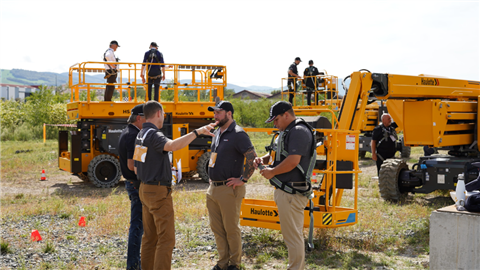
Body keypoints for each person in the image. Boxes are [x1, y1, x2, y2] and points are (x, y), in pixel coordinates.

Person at [134, 100, 217, 270]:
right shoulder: (153, 134)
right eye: (163, 114)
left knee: (149, 237)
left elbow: (137, 165)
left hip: (145, 188)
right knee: (166, 238)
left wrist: (159, 167)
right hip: (157, 191)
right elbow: (172, 146)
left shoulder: (140, 134)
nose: (163, 117)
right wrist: (197, 132)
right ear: (158, 113)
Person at [255, 101, 315, 270]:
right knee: (292, 235)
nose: (275, 123)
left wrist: (272, 171)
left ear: (286, 115)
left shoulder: (298, 131)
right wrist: (263, 159)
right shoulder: (289, 130)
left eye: (276, 120)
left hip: (291, 192)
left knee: (292, 237)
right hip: (287, 191)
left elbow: (293, 161)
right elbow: (280, 153)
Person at [206, 101, 257, 270]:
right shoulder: (217, 132)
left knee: (231, 229)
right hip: (213, 188)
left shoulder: (238, 134)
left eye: (218, 113)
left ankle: (234, 264)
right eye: (214, 113)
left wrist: (243, 179)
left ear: (229, 114)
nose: (215, 116)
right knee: (217, 229)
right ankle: (222, 262)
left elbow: (252, 158)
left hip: (229, 189)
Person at [118, 104, 146, 270]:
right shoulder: (133, 135)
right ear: (138, 118)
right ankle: (133, 265)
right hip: (136, 184)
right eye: (146, 118)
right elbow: (131, 164)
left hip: (132, 184)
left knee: (138, 225)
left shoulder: (128, 131)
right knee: (137, 226)